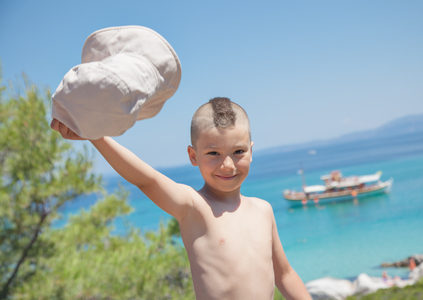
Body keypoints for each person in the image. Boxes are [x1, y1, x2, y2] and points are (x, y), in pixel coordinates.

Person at [51, 97, 312, 300]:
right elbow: (146, 179)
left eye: (238, 151)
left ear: (251, 151)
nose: (228, 164)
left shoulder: (263, 210)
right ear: (193, 155)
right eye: (213, 153)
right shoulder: (194, 207)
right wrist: (96, 136)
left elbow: (284, 274)